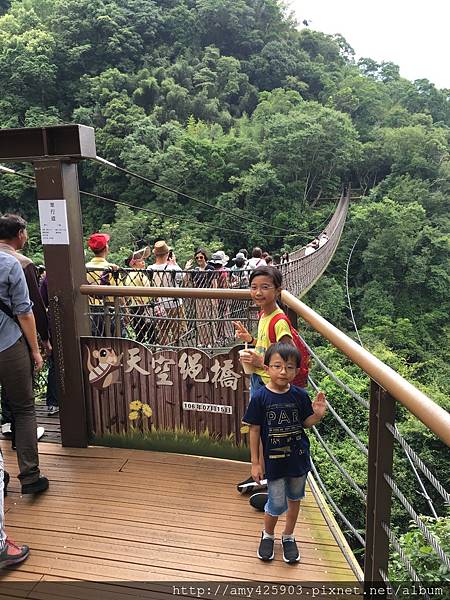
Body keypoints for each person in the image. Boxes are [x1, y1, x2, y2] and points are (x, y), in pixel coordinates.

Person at [243, 342, 326, 563]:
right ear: (267, 368)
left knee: (295, 498)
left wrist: (317, 416)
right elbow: (254, 429)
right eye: (277, 366)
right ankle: (268, 535)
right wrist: (255, 462)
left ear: (296, 371)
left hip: (298, 459)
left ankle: (288, 536)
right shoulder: (260, 397)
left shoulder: (299, 395)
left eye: (289, 367)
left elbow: (305, 423)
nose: (283, 372)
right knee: (276, 503)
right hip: (274, 462)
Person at [233, 266, 294, 494]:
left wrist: (262, 363)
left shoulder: (279, 321)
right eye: (254, 287)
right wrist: (250, 339)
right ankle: (261, 475)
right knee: (257, 427)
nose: (258, 292)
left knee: (267, 432)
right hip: (260, 380)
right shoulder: (263, 314)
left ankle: (269, 480)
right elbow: (266, 345)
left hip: (271, 385)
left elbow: (288, 356)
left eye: (265, 287)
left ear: (277, 290)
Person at [0, 248, 49, 496]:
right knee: (24, 409)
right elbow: (24, 311)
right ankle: (30, 477)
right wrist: (35, 350)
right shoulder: (9, 264)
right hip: (9, 345)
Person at [0, 214, 49, 439]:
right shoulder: (20, 263)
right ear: (20, 234)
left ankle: (6, 425)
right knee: (24, 406)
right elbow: (28, 310)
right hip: (11, 340)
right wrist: (40, 343)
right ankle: (25, 454)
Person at [147, 241, 186, 346]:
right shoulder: (174, 268)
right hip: (174, 304)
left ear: (155, 254)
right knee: (178, 332)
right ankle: (177, 351)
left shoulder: (150, 268)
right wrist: (175, 264)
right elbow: (182, 278)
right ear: (168, 254)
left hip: (159, 305)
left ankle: (166, 351)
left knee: (162, 332)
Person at [85, 232, 123, 336]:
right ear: (106, 248)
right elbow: (120, 294)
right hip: (111, 311)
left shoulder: (85, 268)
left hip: (90, 312)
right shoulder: (112, 268)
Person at [123, 247, 155, 345]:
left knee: (142, 332)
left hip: (138, 306)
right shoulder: (136, 275)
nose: (143, 262)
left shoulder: (133, 274)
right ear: (134, 264)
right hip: (142, 306)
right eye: (140, 261)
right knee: (147, 332)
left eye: (143, 260)